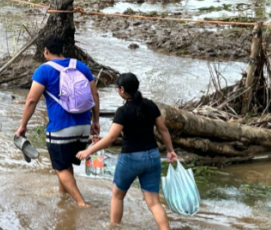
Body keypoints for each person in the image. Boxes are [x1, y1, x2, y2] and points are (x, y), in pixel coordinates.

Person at [76, 73, 178, 230]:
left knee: (117, 195)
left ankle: (114, 227)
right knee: (154, 202)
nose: (117, 90)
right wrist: (171, 151)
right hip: (152, 156)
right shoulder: (150, 105)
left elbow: (110, 138)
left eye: (117, 88)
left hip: (130, 159)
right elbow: (163, 129)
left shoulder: (123, 111)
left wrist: (88, 151)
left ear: (122, 90)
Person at [16, 35, 100, 207]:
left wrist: (23, 125)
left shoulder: (44, 70)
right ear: (62, 50)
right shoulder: (81, 66)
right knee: (66, 166)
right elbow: (94, 95)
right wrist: (95, 121)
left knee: (60, 168)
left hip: (60, 128)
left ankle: (81, 203)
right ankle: (63, 198)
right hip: (84, 127)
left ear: (46, 51)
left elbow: (31, 100)